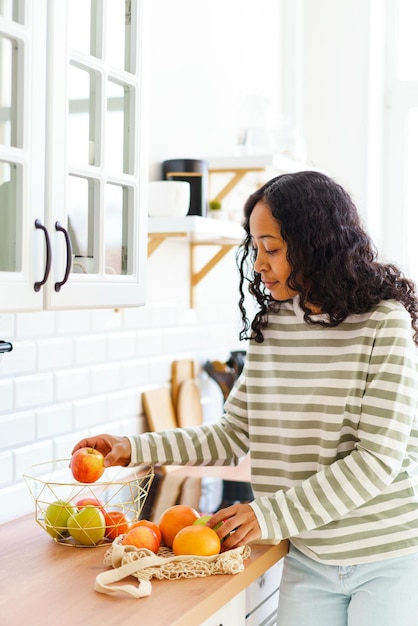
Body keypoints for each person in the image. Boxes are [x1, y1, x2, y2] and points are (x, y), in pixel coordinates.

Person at [72, 171, 418, 626]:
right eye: (256, 248)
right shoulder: (273, 326)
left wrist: (266, 514)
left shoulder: (383, 324)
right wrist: (134, 447)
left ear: (317, 243)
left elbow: (375, 459)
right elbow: (232, 434)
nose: (258, 263)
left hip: (387, 558)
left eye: (271, 248)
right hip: (308, 554)